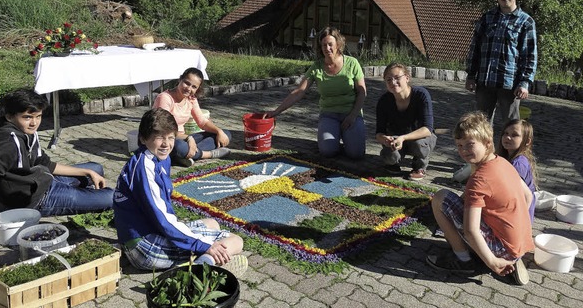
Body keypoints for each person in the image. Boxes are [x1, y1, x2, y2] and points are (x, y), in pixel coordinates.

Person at [0, 88, 114, 256]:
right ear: (10, 116)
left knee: (95, 169)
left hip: (42, 180)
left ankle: (84, 195)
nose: (34, 122)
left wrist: (85, 172)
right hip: (36, 199)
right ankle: (84, 197)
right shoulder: (6, 146)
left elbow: (45, 163)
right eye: (27, 117)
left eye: (38, 116)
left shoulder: (26, 131)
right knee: (111, 197)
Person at [113, 108, 248, 274]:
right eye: (159, 138)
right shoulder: (144, 168)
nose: (166, 144)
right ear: (143, 138)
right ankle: (198, 270)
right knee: (236, 241)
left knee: (212, 224)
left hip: (146, 235)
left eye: (170, 138)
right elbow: (163, 219)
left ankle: (202, 260)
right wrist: (205, 246)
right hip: (145, 249)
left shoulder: (154, 157)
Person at [426, 111, 534, 286]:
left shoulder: (479, 179)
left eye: (469, 144)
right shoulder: (504, 162)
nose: (463, 151)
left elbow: (471, 230)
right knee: (465, 208)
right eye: (459, 145)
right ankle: (510, 255)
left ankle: (464, 260)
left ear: (488, 143)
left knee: (440, 198)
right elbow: (528, 196)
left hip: (500, 251)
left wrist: (493, 263)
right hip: (519, 245)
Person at [264, 27, 366, 160]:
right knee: (328, 152)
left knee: (356, 154)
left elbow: (362, 92)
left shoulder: (352, 63)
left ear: (338, 44)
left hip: (351, 113)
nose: (327, 48)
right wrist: (276, 112)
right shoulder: (316, 67)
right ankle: (334, 137)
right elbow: (299, 92)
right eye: (324, 45)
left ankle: (347, 136)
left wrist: (352, 116)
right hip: (329, 114)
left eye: (330, 44)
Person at [465, 0, 537, 126]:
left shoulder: (526, 22)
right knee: (481, 126)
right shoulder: (487, 18)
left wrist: (525, 82)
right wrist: (471, 75)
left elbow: (530, 55)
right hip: (485, 81)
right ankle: (486, 151)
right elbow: (475, 48)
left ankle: (513, 151)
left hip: (510, 84)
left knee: (512, 126)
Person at [153, 67, 231, 167]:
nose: (189, 88)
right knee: (179, 146)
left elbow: (202, 122)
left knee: (225, 134)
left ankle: (184, 155)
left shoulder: (191, 99)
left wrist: (219, 131)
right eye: (187, 83)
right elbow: (164, 129)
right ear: (180, 80)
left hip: (183, 137)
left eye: (194, 87)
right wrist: (188, 138)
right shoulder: (165, 98)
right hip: (164, 139)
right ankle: (207, 154)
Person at [375, 62, 436, 181]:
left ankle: (420, 166)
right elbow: (379, 133)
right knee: (389, 156)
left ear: (407, 78)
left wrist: (403, 137)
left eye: (397, 78)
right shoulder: (384, 101)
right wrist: (385, 139)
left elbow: (428, 129)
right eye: (388, 80)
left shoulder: (421, 95)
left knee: (418, 144)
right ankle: (393, 163)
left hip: (419, 137)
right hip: (396, 138)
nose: (393, 82)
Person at [497, 119, 538, 223]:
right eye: (505, 133)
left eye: (514, 135)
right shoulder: (506, 157)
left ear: (527, 141)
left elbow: (515, 194)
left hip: (518, 218)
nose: (508, 137)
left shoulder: (519, 164)